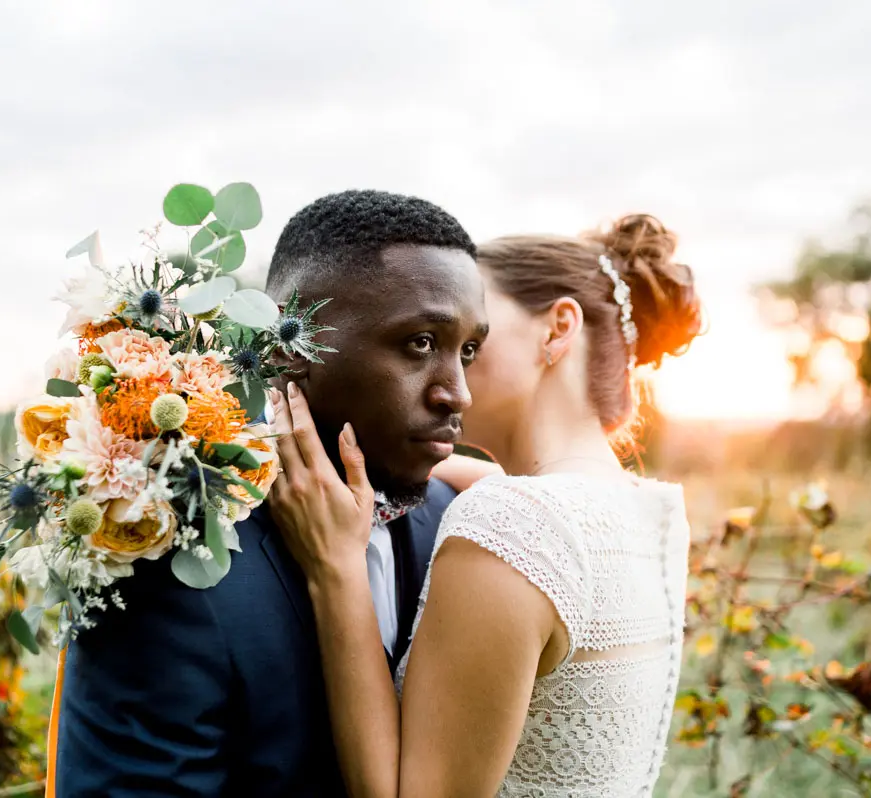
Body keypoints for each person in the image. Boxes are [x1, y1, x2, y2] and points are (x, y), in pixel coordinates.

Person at [52, 189, 489, 797]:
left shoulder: (460, 530)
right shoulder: (172, 562)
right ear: (289, 345)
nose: (458, 392)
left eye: (469, 351)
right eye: (420, 343)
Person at [269, 214, 702, 797]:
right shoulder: (648, 514)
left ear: (558, 329)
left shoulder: (515, 524)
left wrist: (336, 568)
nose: (453, 373)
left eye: (475, 342)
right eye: (437, 341)